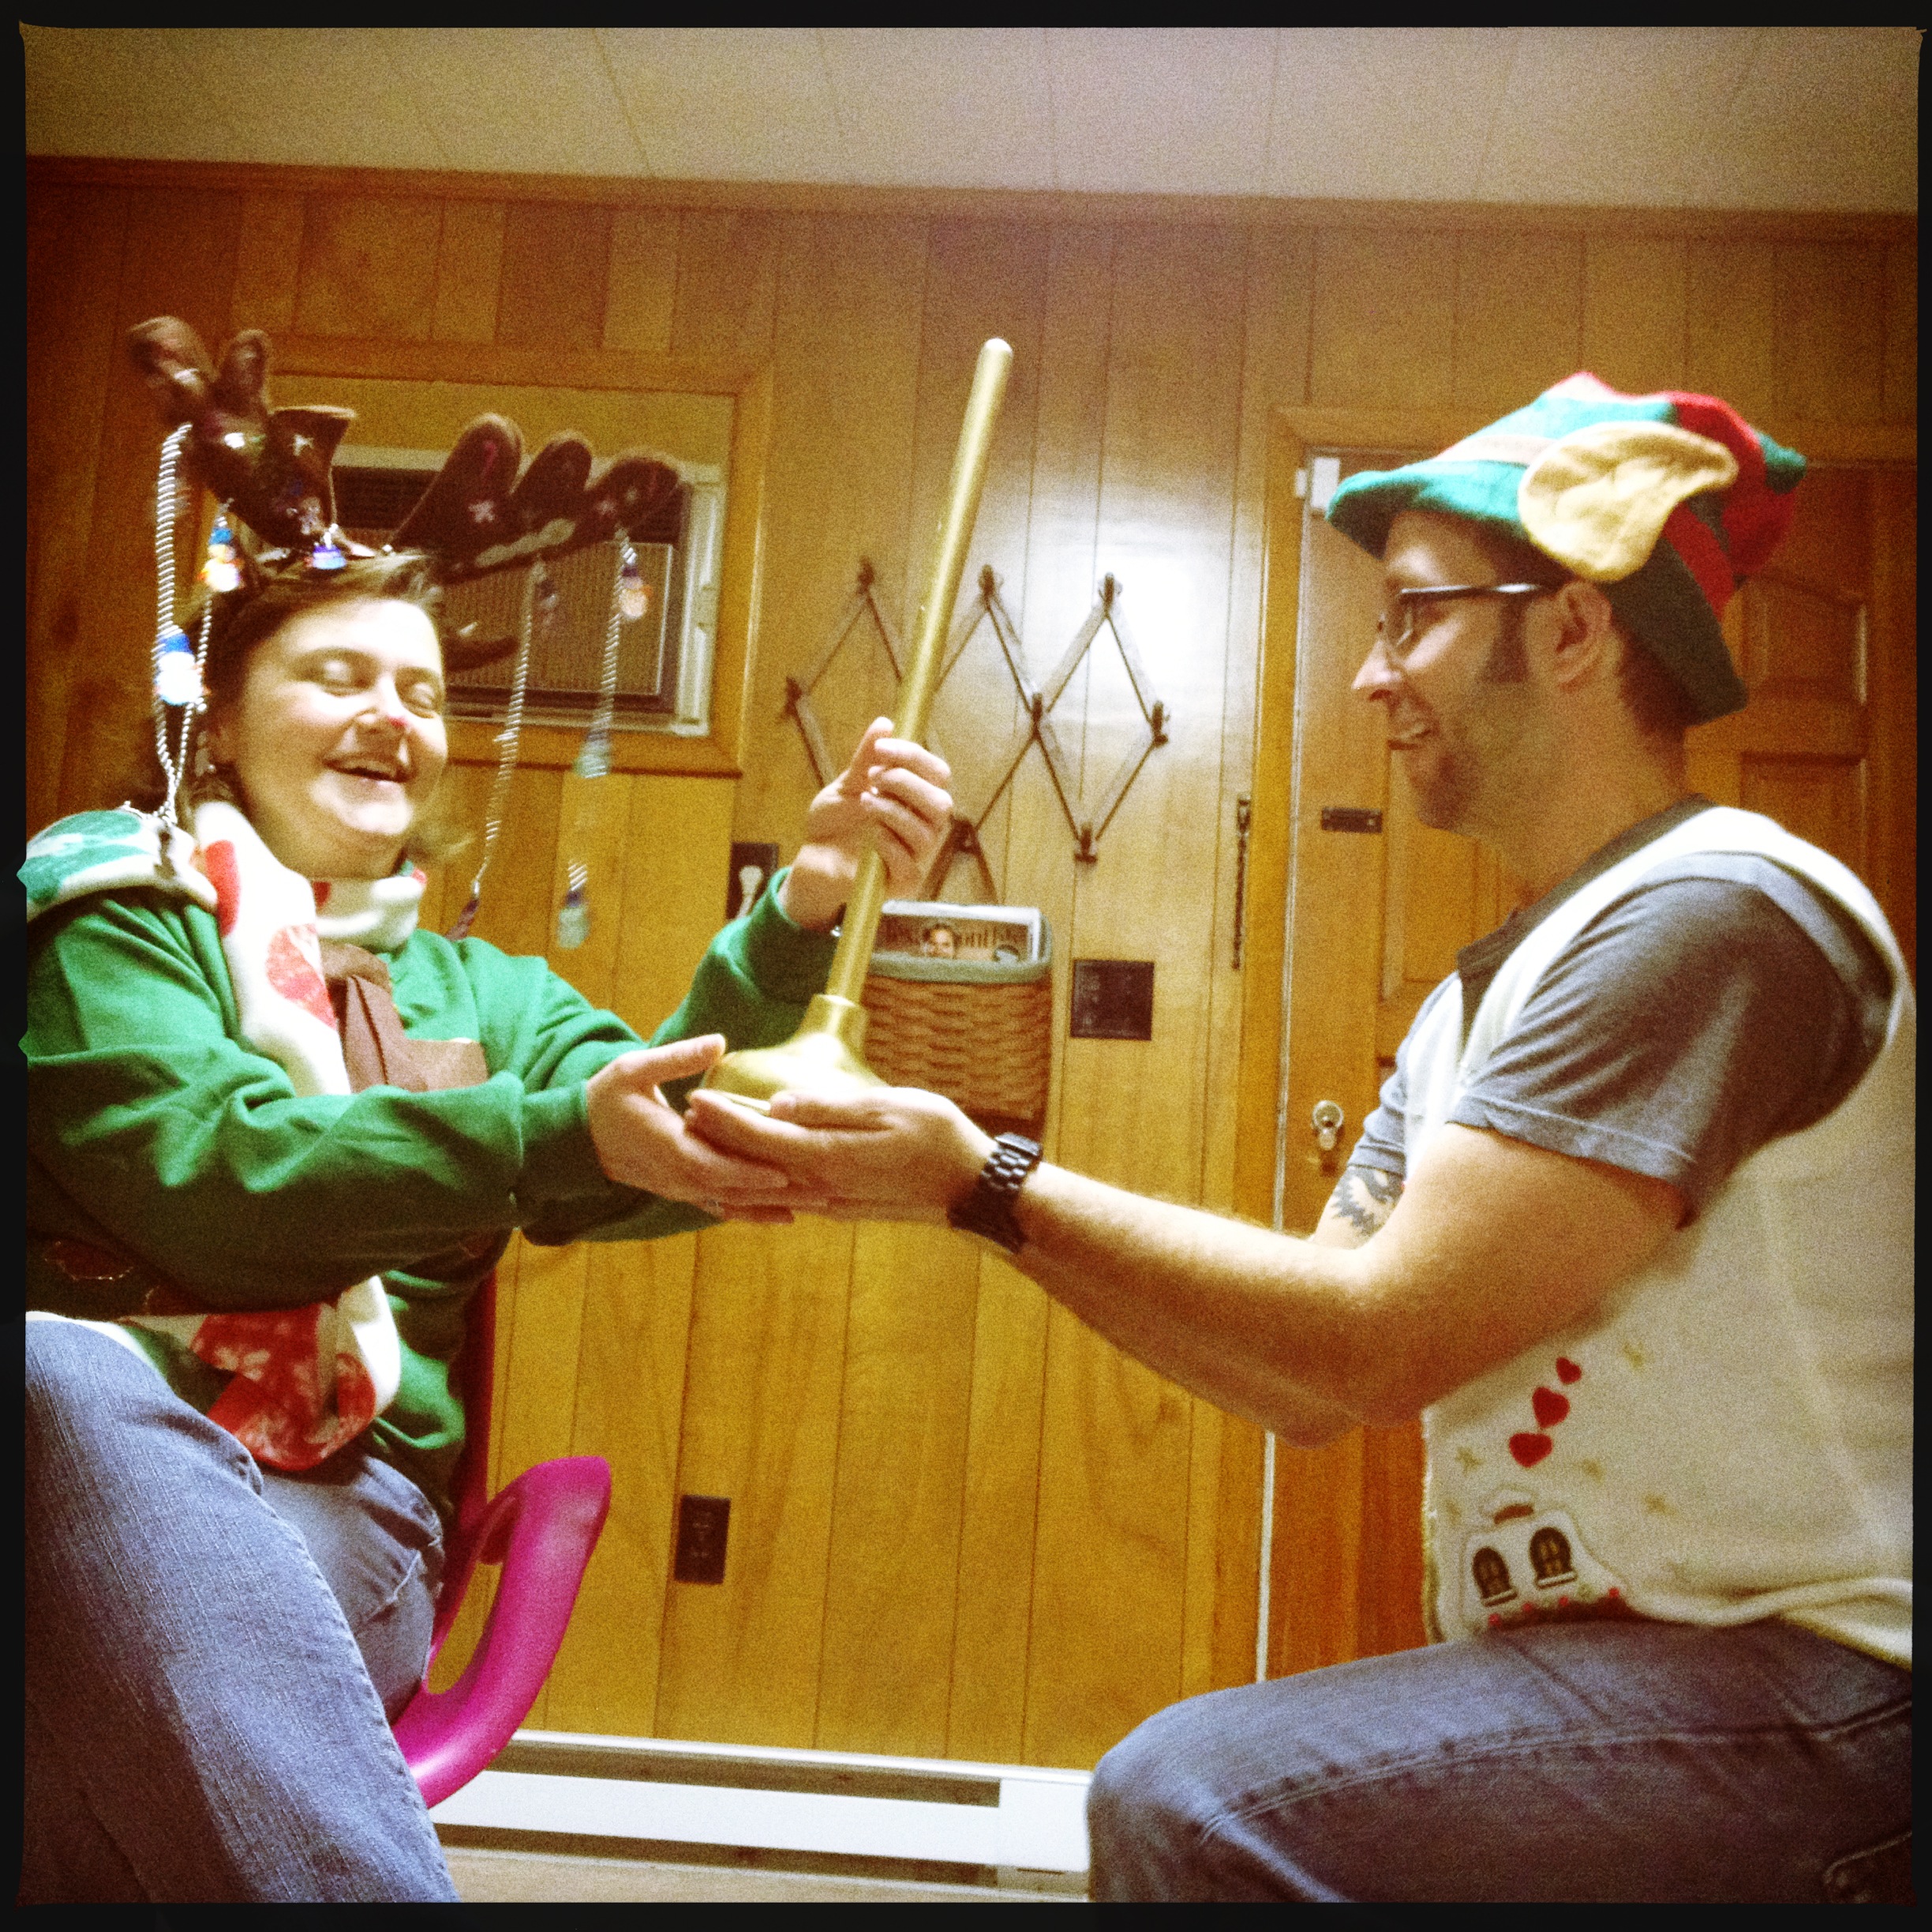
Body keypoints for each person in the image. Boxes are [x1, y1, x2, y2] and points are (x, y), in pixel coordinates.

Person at [687, 375, 1913, 1904]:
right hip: (1662, 1678)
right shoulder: (1477, 1004)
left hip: (1832, 1686)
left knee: (1196, 1801)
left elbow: (1376, 1342)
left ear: (1575, 631)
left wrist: (977, 1177)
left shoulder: (1714, 914)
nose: (1369, 676)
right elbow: (1307, 1382)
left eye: (1414, 619)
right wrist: (962, 1199)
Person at [24, 336, 953, 1902]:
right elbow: (210, 1176)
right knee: (56, 1381)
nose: (391, 715)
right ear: (219, 719)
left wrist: (809, 900)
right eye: (336, 677)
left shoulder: (481, 994)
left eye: (422, 690)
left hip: (334, 1511)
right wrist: (545, 1138)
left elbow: (668, 1129)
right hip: (64, 1476)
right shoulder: (116, 904)